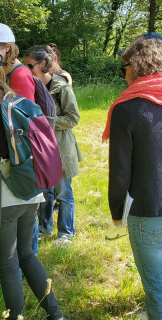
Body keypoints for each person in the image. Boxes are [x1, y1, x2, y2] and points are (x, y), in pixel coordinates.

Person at [0, 44, 69, 320]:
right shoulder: (16, 101)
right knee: (28, 256)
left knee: (7, 265)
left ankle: (14, 317)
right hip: (29, 191)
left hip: (1, 197)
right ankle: (56, 316)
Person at [103, 32, 162, 320]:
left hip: (147, 212)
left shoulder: (127, 108)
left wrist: (117, 215)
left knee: (157, 289)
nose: (122, 74)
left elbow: (120, 172)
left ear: (135, 66)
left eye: (123, 67)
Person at [0, 22, 39, 255]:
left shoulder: (20, 75)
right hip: (8, 162)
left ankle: (23, 264)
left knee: (23, 227)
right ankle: (18, 264)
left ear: (7, 47)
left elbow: (23, 123)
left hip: (19, 164)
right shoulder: (6, 73)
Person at [25, 45, 82, 244]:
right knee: (44, 191)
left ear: (43, 64)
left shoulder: (62, 87)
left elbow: (74, 118)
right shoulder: (29, 87)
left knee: (63, 192)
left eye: (30, 66)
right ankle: (44, 228)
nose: (27, 70)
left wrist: (47, 121)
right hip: (41, 149)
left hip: (61, 149)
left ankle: (66, 234)